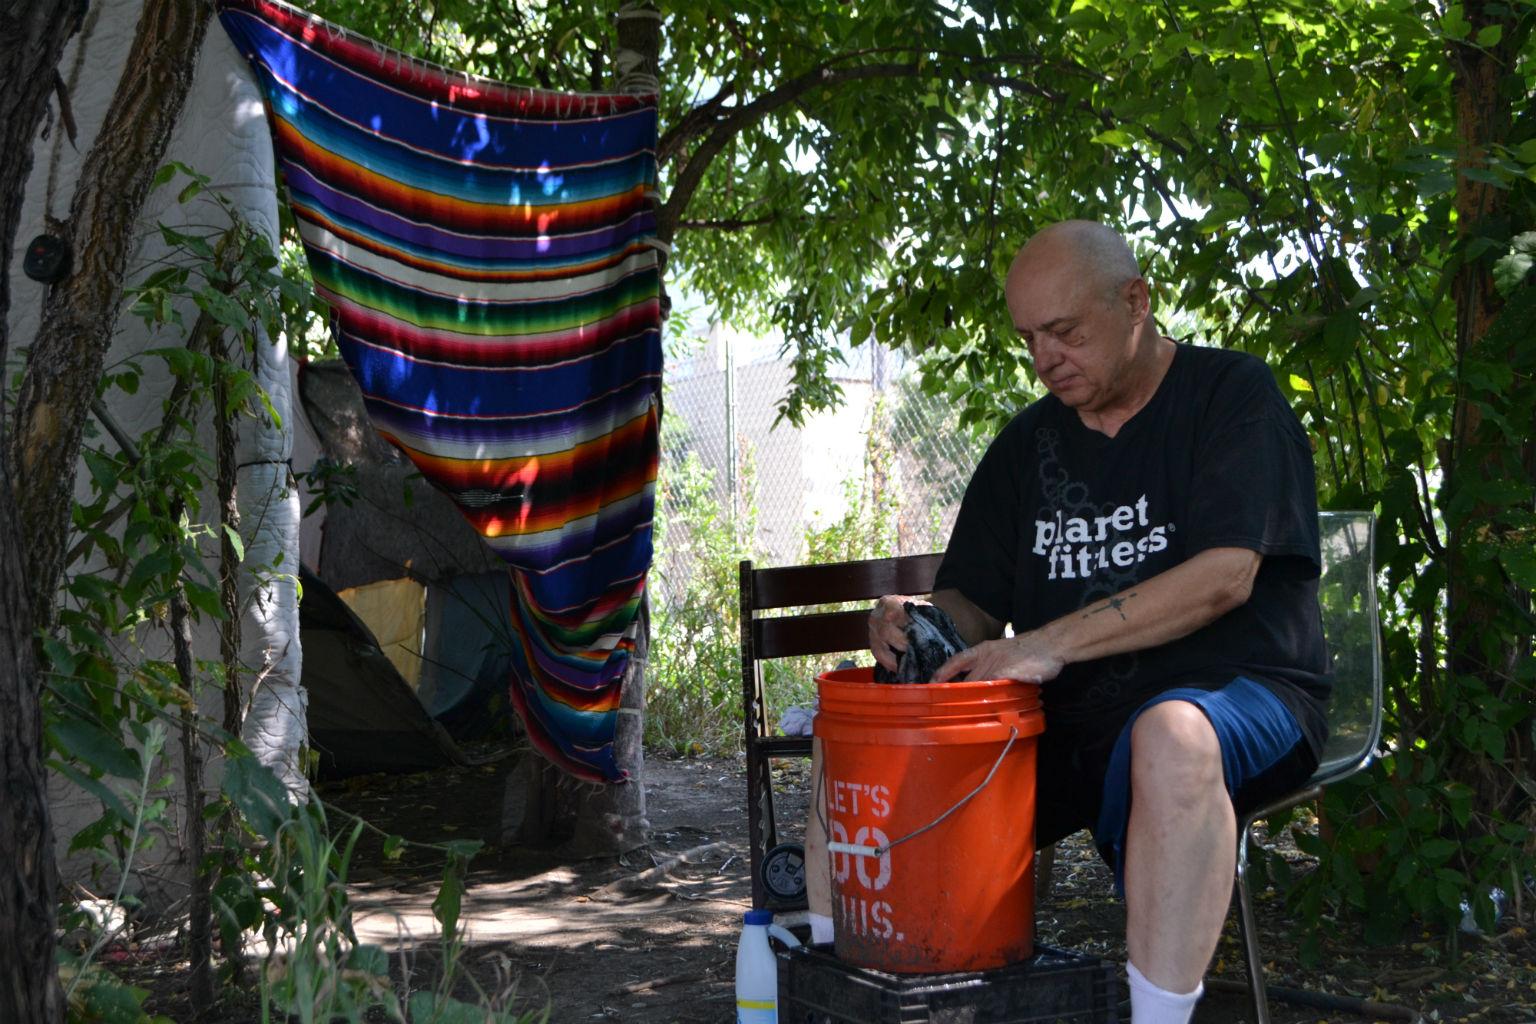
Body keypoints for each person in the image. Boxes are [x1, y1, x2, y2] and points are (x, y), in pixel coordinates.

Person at [864, 220, 1331, 1024]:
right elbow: (972, 601)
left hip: (1244, 695)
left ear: (1136, 302)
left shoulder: (1232, 397)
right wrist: (915, 618)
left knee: (1171, 736)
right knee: (863, 748)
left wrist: (1045, 644)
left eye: (1065, 332)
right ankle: (832, 990)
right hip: (1069, 722)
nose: (1045, 359)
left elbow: (1225, 577)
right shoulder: (1025, 446)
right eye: (1029, 338)